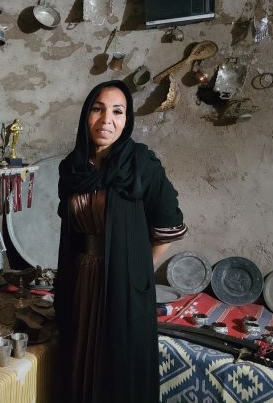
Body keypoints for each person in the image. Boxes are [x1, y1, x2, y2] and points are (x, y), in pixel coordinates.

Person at [55, 80, 187, 403]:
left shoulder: (141, 164)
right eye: (98, 109)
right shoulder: (72, 169)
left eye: (117, 111)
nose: (106, 120)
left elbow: (171, 225)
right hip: (81, 282)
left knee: (118, 370)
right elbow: (70, 232)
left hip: (124, 287)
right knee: (79, 363)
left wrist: (139, 269)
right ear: (86, 115)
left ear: (127, 120)